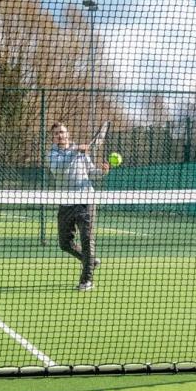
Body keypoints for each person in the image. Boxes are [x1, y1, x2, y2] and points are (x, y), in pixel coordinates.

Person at [48, 121, 110, 291]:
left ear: (67, 134)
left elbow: (92, 173)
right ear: (53, 138)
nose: (60, 135)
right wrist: (76, 151)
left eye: (62, 132)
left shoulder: (81, 153)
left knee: (87, 238)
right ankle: (90, 260)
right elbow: (60, 168)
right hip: (66, 203)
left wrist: (103, 171)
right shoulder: (52, 155)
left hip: (85, 200)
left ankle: (86, 280)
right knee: (65, 244)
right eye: (56, 133)